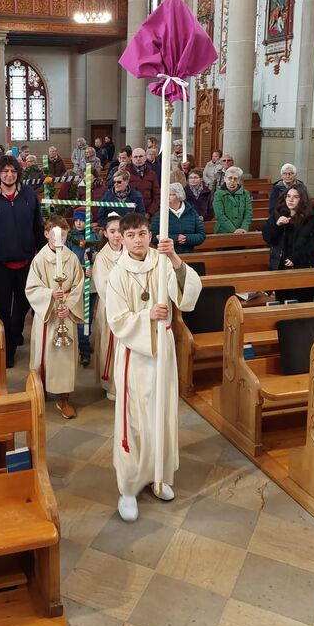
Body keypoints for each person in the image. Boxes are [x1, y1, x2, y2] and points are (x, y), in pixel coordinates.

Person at [106, 212, 201, 522]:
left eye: (142, 234)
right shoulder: (118, 274)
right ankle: (128, 488)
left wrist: (173, 256)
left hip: (162, 350)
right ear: (122, 238)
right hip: (136, 353)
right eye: (131, 235)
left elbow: (186, 297)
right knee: (135, 420)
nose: (137, 240)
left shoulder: (162, 263)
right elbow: (116, 320)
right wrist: (147, 315)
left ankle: (157, 476)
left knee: (161, 415)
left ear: (150, 235)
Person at [0, 155, 45, 368]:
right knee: (1, 308)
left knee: (23, 305)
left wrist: (42, 255)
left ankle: (14, 333)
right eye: (5, 171)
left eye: (13, 171)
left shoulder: (28, 195)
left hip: (25, 262)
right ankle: (8, 349)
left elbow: (37, 226)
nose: (9, 175)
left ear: (18, 173)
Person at [26, 215, 84, 419]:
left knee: (64, 358)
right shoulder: (39, 260)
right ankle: (39, 389)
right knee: (44, 354)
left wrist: (68, 307)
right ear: (46, 234)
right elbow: (32, 288)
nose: (60, 240)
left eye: (64, 236)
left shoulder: (72, 258)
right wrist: (50, 294)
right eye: (55, 235)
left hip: (66, 313)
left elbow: (78, 286)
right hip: (48, 314)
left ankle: (64, 397)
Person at [91, 212, 123, 400]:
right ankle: (110, 384)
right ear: (105, 233)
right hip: (110, 307)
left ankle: (125, 383)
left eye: (120, 231)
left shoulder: (130, 252)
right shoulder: (102, 257)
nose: (117, 235)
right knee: (109, 345)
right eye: (112, 231)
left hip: (129, 307)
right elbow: (103, 286)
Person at [262, 183, 314, 275]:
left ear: (303, 199)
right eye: (288, 196)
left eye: (295, 197)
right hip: (279, 264)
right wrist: (277, 225)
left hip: (302, 264)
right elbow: (267, 238)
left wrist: (296, 258)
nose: (290, 199)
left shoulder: (311, 217)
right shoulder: (277, 214)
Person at [66, 209, 92, 365]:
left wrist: (91, 261)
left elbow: (97, 252)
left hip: (90, 281)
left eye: (82, 220)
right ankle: (83, 349)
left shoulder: (93, 236)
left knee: (88, 318)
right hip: (75, 280)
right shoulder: (71, 237)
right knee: (80, 317)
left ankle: (86, 345)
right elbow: (67, 255)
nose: (79, 223)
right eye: (76, 221)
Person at [151, 183, 205, 254]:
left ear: (179, 196)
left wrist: (186, 238)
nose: (168, 197)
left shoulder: (192, 213)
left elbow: (201, 235)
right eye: (166, 194)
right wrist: (176, 239)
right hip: (167, 255)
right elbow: (153, 238)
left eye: (172, 195)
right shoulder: (159, 215)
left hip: (189, 254)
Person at [213, 167, 252, 234]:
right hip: (223, 231)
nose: (232, 181)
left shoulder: (245, 194)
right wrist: (234, 230)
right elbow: (219, 215)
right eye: (230, 178)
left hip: (242, 231)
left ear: (238, 181)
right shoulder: (218, 194)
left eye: (235, 178)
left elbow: (248, 213)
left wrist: (243, 228)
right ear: (225, 179)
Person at [128, 148, 160, 215]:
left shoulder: (152, 174)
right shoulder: (126, 173)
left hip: (148, 212)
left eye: (141, 156)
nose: (138, 159)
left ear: (145, 158)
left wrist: (149, 213)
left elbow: (157, 196)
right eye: (135, 157)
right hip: (130, 213)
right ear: (131, 159)